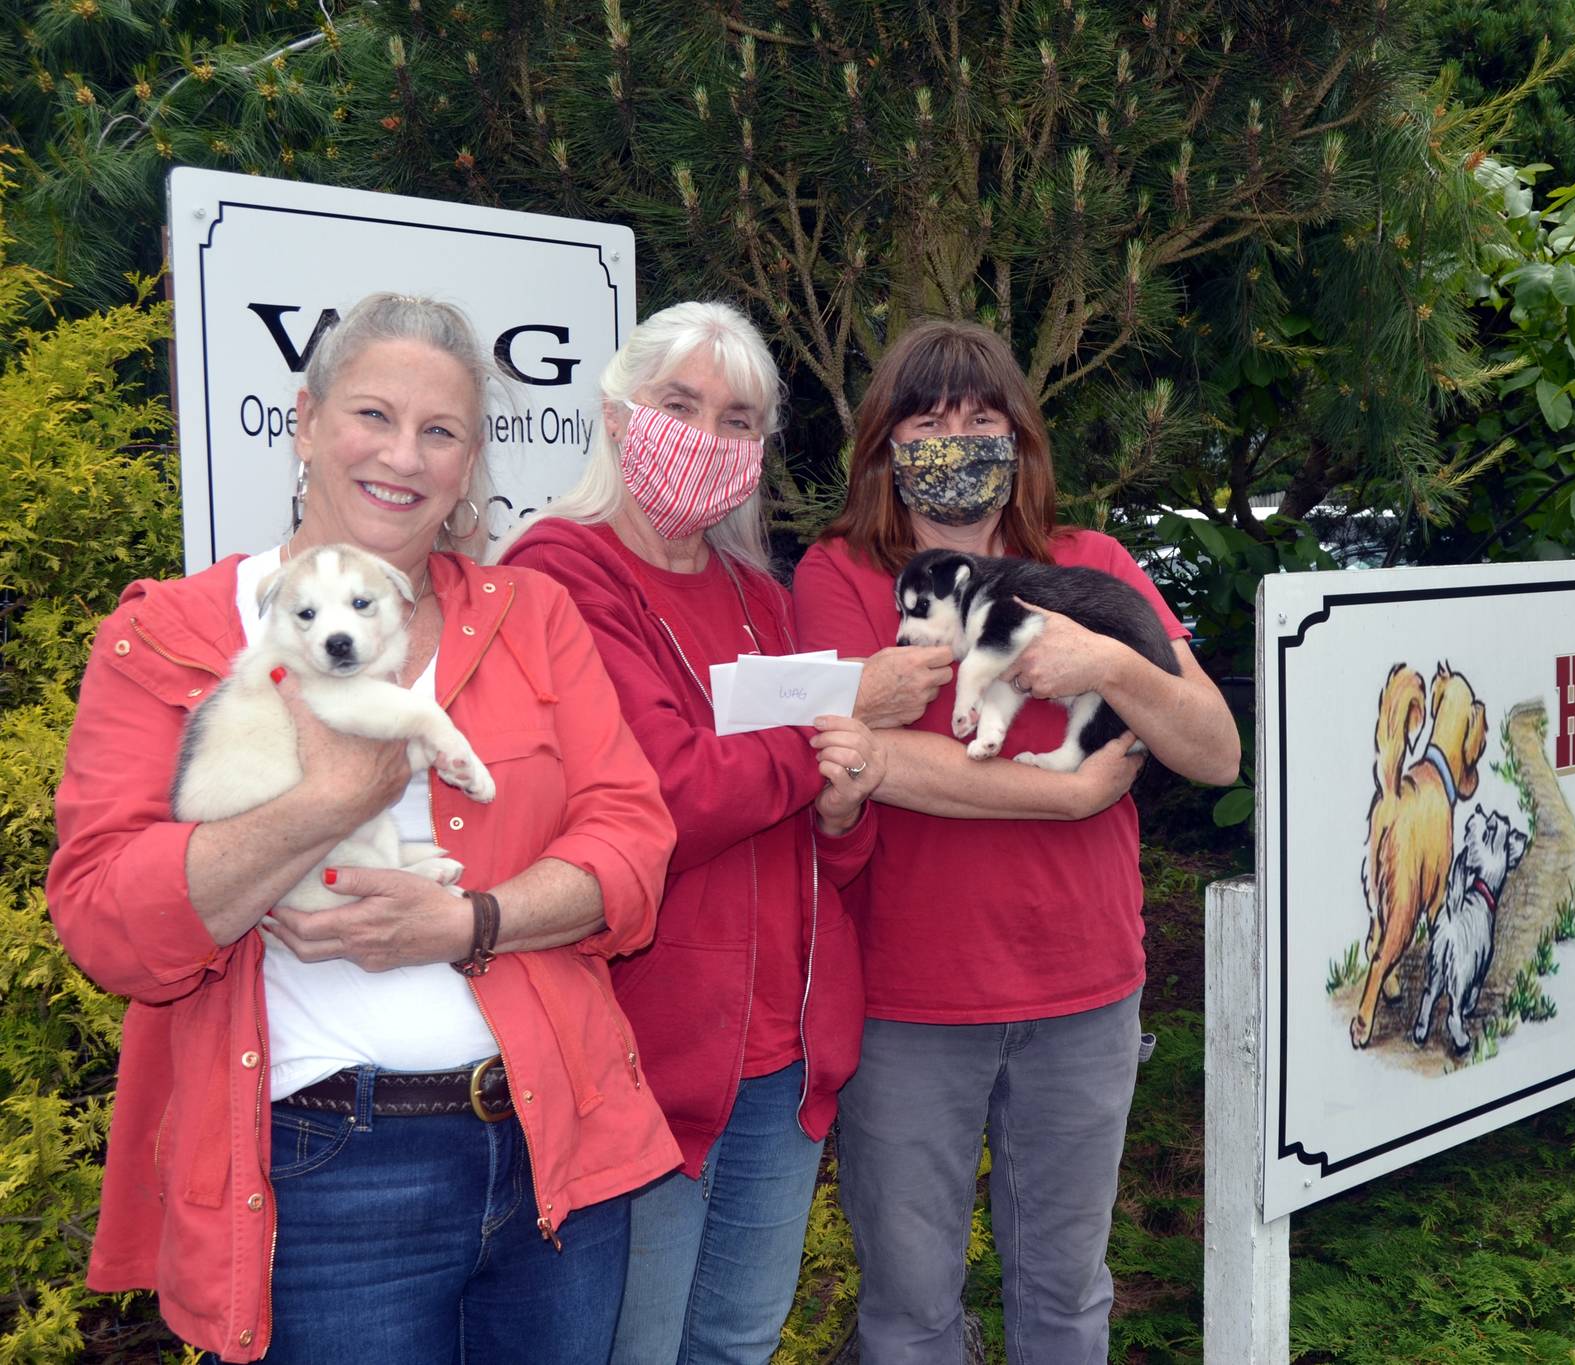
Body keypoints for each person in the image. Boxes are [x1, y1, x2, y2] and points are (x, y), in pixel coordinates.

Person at [45, 293, 681, 1364]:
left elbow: (631, 847)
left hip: (553, 1149)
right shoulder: (169, 634)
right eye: (372, 417)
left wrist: (470, 920)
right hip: (325, 1171)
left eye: (441, 432)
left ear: (472, 459)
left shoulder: (530, 618)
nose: (404, 457)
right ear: (303, 420)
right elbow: (108, 925)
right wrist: (328, 800)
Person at [791, 318, 1240, 1362]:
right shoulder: (844, 577)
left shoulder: (1093, 563)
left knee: (1065, 1297)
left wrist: (1112, 666)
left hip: (1084, 994)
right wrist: (1076, 793)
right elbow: (864, 759)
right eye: (928, 419)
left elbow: (1212, 747)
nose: (955, 440)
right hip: (910, 1003)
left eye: (980, 419)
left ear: (1020, 440)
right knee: (909, 1312)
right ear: (883, 445)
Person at [496, 300, 881, 1365]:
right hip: (646, 1057)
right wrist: (834, 730)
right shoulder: (559, 572)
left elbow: (818, 843)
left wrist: (843, 807)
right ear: (618, 415)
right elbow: (667, 796)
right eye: (680, 405)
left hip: (785, 1058)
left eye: (737, 420)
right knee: (641, 1352)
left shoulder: (759, 595)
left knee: (735, 1347)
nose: (705, 437)